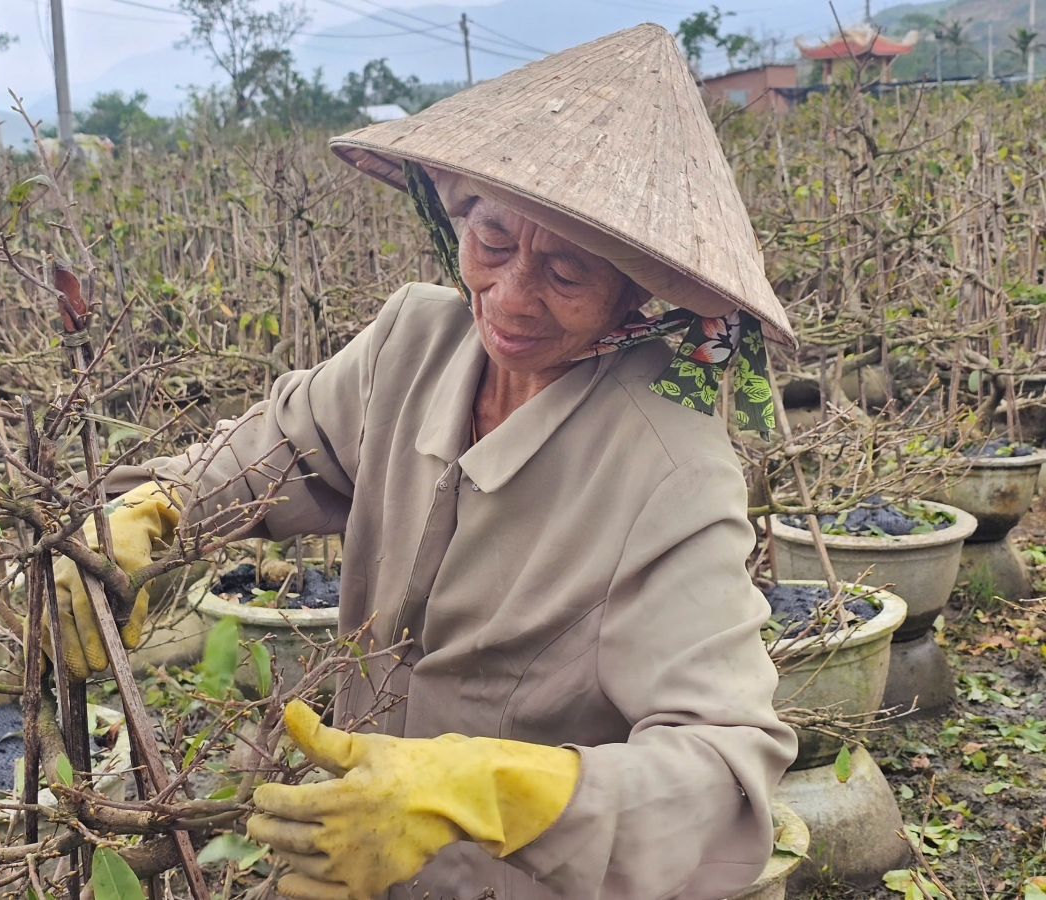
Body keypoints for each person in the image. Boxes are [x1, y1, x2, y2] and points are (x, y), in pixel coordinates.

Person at [49, 23, 799, 900]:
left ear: (638, 291)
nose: (511, 298)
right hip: (343, 865)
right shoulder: (413, 340)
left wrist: (490, 794)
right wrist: (159, 506)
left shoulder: (672, 470)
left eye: (566, 273)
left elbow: (719, 771)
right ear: (455, 216)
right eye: (493, 242)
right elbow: (278, 445)